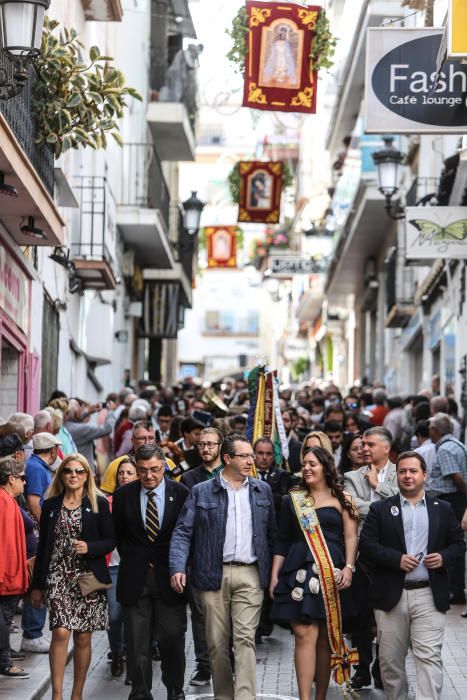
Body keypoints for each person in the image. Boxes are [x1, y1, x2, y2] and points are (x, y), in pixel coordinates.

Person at [170, 433, 276, 700]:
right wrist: (177, 567)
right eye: (245, 456)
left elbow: (272, 534)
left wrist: (274, 574)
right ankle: (224, 696)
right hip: (211, 574)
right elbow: (183, 532)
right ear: (227, 458)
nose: (251, 461)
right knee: (216, 644)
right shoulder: (201, 491)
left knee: (244, 641)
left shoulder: (262, 490)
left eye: (252, 455)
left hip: (250, 574)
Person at [359, 451, 466, 700]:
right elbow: (367, 545)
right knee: (390, 662)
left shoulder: (443, 509)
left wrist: (443, 558)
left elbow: (458, 545)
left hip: (429, 593)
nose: (408, 476)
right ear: (396, 476)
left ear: (424, 475)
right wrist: (395, 559)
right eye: (403, 471)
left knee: (429, 657)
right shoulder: (381, 509)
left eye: (413, 471)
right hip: (391, 596)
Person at [269, 446, 358, 700]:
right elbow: (282, 540)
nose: (307, 468)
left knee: (325, 638)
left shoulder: (343, 498)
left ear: (325, 468)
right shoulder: (292, 500)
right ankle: (304, 697)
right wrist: (275, 575)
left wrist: (349, 567)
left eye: (313, 464)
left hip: (332, 571)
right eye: (304, 464)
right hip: (298, 570)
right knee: (303, 634)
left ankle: (320, 696)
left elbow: (351, 536)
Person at [30, 453, 114, 700]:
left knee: (83, 636)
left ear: (87, 475)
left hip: (87, 577)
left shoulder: (98, 502)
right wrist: (37, 586)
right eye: (69, 471)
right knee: (61, 632)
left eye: (79, 471)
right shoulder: (51, 505)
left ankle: (76, 694)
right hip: (58, 575)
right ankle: (57, 695)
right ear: (62, 474)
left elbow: (111, 540)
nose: (74, 475)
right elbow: (44, 545)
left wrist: (90, 547)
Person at [112, 443, 189, 700]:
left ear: (164, 465)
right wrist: (137, 560)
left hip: (170, 578)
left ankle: (175, 689)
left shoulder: (181, 493)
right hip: (136, 578)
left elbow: (188, 534)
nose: (148, 476)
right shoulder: (124, 496)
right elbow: (119, 536)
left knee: (172, 637)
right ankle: (140, 692)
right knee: (137, 642)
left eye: (155, 470)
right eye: (142, 470)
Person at [343, 426, 398, 690]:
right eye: (362, 444)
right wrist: (387, 507)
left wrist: (379, 487)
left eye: (370, 444)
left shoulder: (403, 473)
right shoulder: (351, 476)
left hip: (394, 557)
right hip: (363, 556)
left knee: (389, 617)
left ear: (386, 448)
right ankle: (361, 669)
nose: (364, 448)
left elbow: (406, 505)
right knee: (361, 618)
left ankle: (381, 668)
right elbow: (351, 506)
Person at [181, 427, 224, 687]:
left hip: (229, 553)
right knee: (200, 613)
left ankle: (224, 659)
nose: (205, 449)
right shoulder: (189, 479)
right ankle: (204, 665)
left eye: (210, 444)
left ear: (221, 446)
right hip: (199, 555)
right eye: (201, 445)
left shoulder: (232, 473)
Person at [428, 413, 467, 604]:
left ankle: (455, 589)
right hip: (453, 499)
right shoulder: (455, 444)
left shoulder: (445, 449)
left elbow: (457, 478)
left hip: (451, 500)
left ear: (435, 430)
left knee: (452, 545)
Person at [106, 457, 139, 678]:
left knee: (134, 616)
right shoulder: (107, 502)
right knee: (114, 615)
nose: (124, 476)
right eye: (121, 473)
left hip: (135, 565)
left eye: (129, 473)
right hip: (114, 566)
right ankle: (116, 651)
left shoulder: (143, 500)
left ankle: (131, 654)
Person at [0, 456, 29, 679]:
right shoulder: (3, 502)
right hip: (6, 577)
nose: (24, 482)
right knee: (3, 619)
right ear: (11, 479)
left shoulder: (8, 500)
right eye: (21, 478)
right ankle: (4, 662)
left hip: (10, 575)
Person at [100, 421, 156, 494]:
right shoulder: (116, 464)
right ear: (132, 440)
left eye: (151, 438)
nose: (147, 442)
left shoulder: (167, 463)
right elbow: (106, 498)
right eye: (142, 438)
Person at [65, 399, 116, 472]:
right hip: (83, 471)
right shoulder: (82, 429)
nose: (82, 411)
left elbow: (74, 418)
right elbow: (107, 429)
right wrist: (111, 411)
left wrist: (88, 411)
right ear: (77, 412)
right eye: (80, 409)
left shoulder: (64, 426)